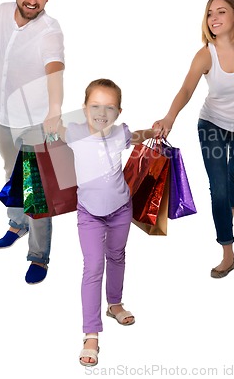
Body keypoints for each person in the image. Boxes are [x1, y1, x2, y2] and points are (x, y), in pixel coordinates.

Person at [153, 0, 234, 278]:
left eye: (221, 12)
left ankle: (226, 214)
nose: (214, 18)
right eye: (209, 13)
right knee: (218, 188)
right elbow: (187, 90)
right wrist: (169, 117)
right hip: (212, 125)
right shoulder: (206, 54)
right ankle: (227, 252)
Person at [58, 78, 155, 367]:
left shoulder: (120, 133)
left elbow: (136, 136)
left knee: (117, 256)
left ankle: (114, 304)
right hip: (89, 213)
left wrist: (153, 130)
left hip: (120, 209)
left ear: (119, 112)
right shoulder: (74, 132)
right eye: (95, 106)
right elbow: (55, 133)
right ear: (84, 108)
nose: (102, 113)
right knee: (93, 267)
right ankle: (91, 333)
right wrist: (47, 128)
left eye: (109, 108)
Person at [0, 0, 65, 284]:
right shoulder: (2, 12)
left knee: (37, 190)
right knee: (10, 172)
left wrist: (55, 111)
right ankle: (16, 223)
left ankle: (38, 256)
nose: (32, 0)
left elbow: (55, 69)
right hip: (3, 115)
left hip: (35, 122)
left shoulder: (50, 31)